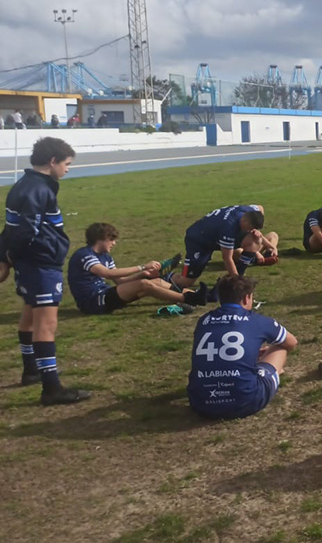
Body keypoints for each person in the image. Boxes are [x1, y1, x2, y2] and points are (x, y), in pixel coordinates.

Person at [4, 137, 90, 404]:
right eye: (66, 164)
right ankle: (51, 387)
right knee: (46, 324)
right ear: (52, 161)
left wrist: (7, 259)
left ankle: (32, 370)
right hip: (40, 265)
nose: (68, 169)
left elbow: (9, 229)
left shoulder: (24, 185)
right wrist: (11, 257)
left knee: (29, 313)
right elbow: (25, 232)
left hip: (32, 264)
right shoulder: (37, 190)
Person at [187, 275, 297, 420]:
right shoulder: (258, 321)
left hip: (200, 402)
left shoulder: (204, 320)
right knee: (280, 347)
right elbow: (291, 342)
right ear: (246, 298)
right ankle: (275, 372)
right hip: (245, 401)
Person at [68, 223, 204, 314]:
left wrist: (143, 273)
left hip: (105, 294)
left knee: (154, 281)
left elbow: (121, 281)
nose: (114, 243)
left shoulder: (106, 257)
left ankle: (196, 294)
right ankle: (187, 300)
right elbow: (107, 273)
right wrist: (142, 266)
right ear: (100, 239)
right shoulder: (84, 255)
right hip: (93, 301)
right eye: (111, 239)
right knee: (144, 285)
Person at [168, 205, 278, 290]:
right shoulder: (228, 227)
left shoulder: (248, 211)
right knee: (186, 282)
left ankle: (240, 273)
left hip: (215, 234)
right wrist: (237, 282)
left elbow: (260, 208)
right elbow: (227, 258)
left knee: (254, 239)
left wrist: (270, 246)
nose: (250, 230)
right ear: (245, 222)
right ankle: (162, 275)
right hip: (199, 241)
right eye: (250, 227)